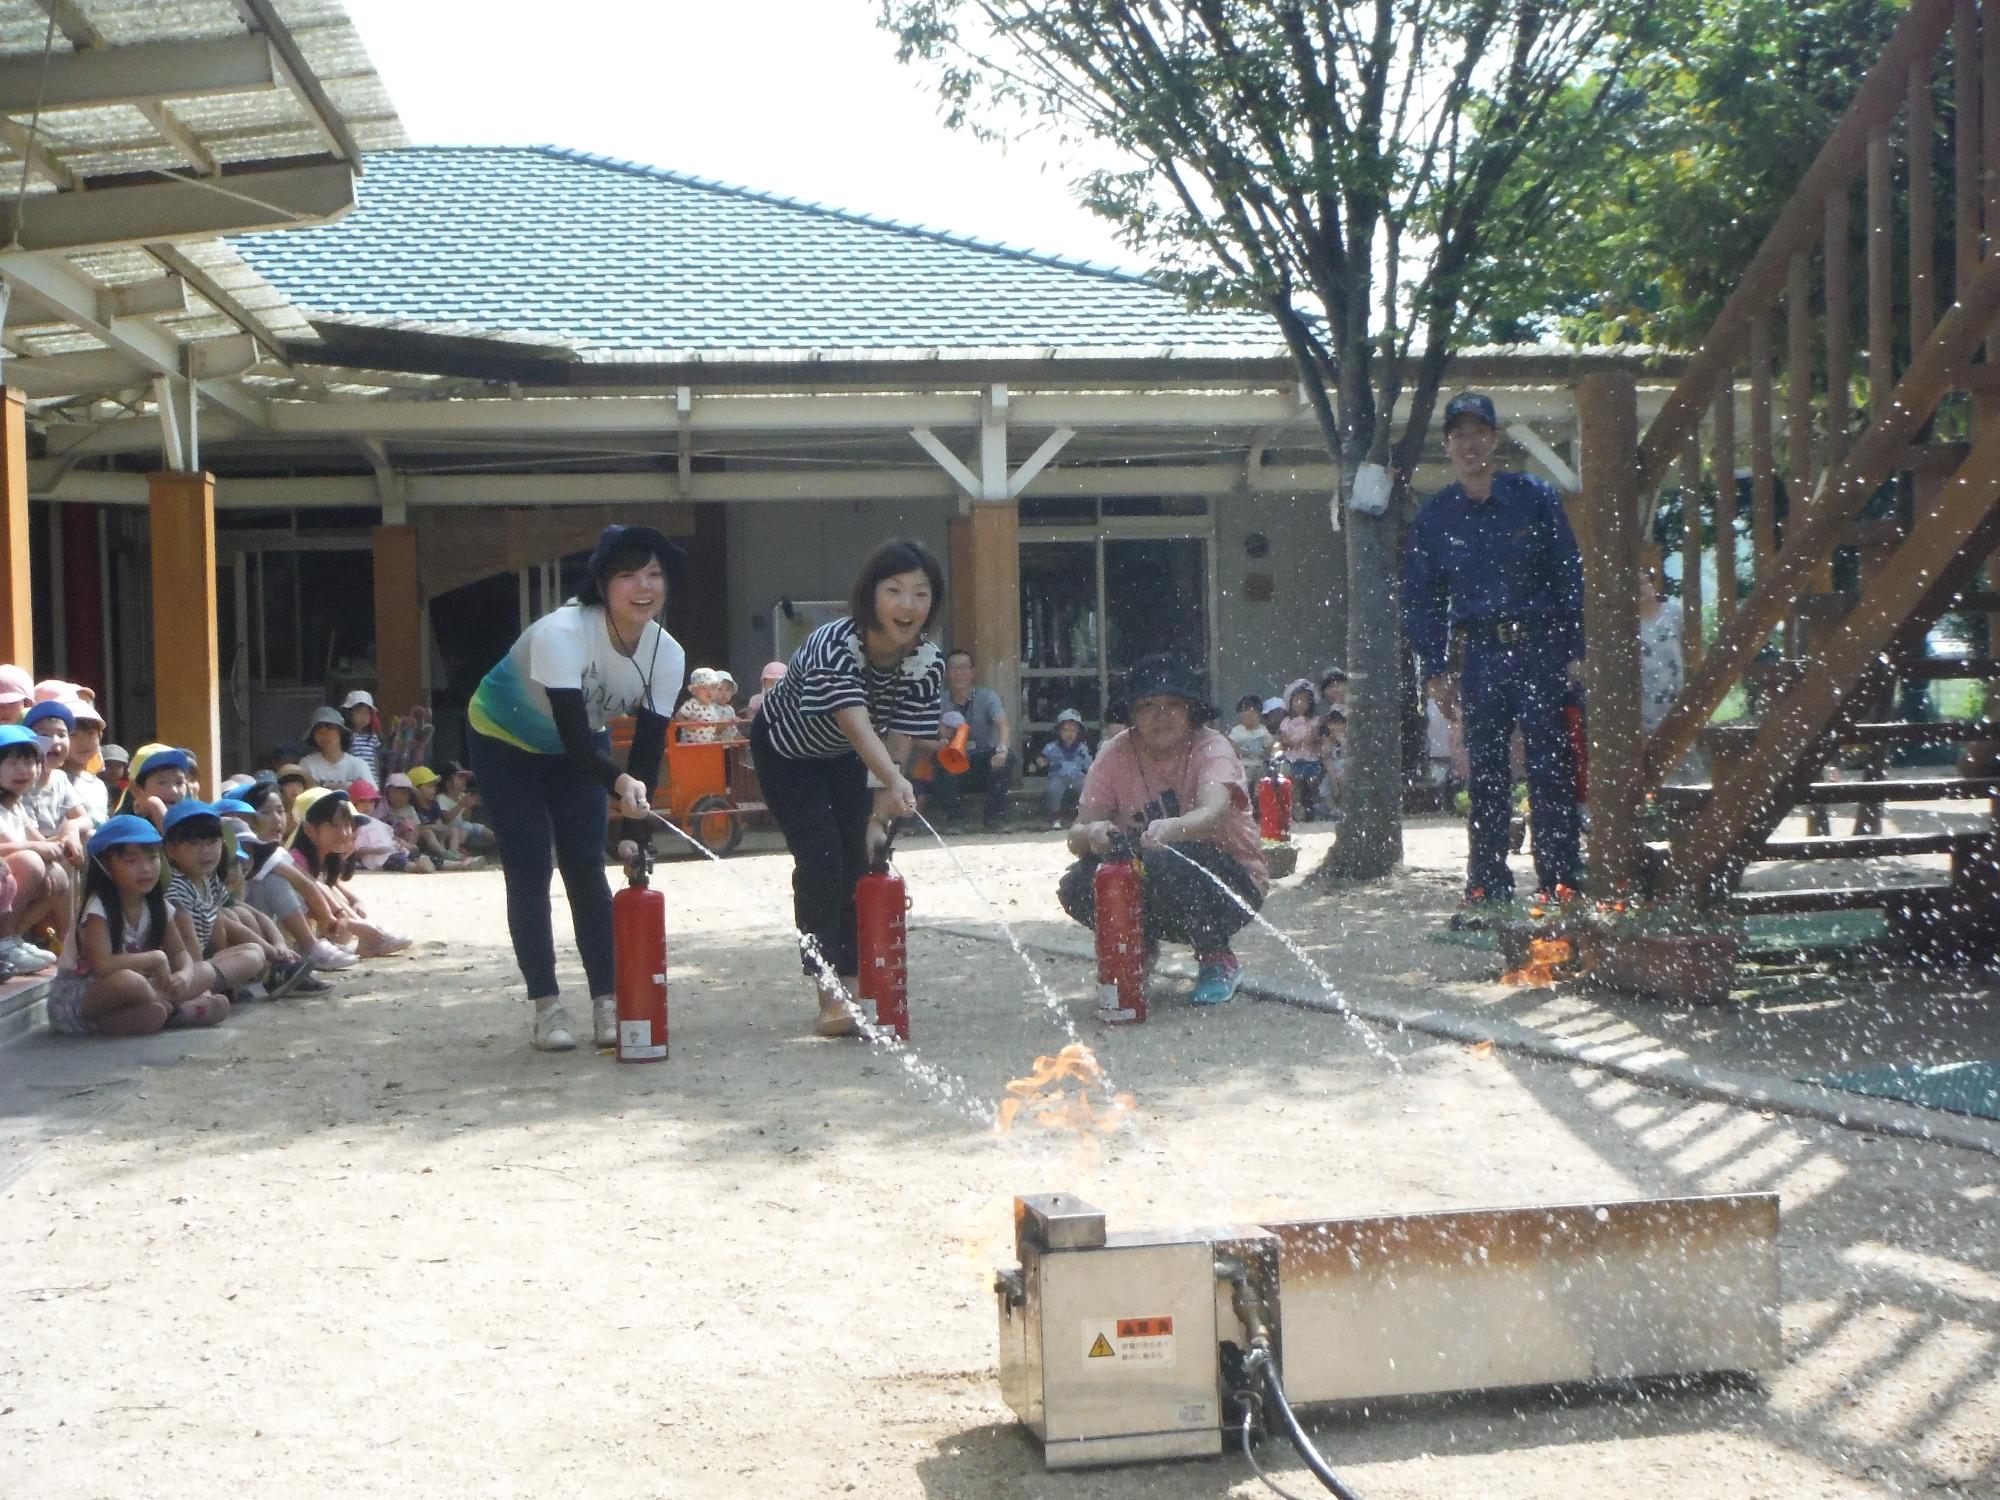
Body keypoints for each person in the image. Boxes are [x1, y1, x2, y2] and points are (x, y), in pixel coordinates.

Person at [467, 523, 686, 1052]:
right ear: (603, 584)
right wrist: (619, 782)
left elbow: (648, 750)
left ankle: (607, 1001)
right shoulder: (562, 633)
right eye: (628, 575)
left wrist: (635, 829)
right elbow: (570, 730)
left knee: (587, 868)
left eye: (654, 574)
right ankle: (546, 1006)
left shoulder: (667, 654)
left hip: (579, 755)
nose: (643, 587)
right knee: (530, 868)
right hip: (504, 743)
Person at [751, 538, 944, 1037]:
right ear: (870, 595)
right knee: (821, 860)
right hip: (786, 753)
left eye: (920, 594)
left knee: (860, 860)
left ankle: (856, 983)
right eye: (895, 590)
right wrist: (894, 779)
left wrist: (880, 816)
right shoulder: (834, 644)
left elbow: (897, 737)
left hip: (844, 758)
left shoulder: (927, 662)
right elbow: (857, 724)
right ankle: (828, 994)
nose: (907, 606)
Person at [1405, 390, 1585, 912]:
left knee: (1551, 766)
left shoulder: (1534, 496)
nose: (1469, 443)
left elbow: (1568, 573)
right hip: (1481, 655)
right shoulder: (1437, 517)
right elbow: (1423, 598)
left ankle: (1561, 880)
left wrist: (1577, 647)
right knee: (1484, 773)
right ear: (1447, 444)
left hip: (1542, 647)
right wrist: (1434, 670)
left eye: (1479, 432)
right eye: (1459, 434)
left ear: (1494, 438)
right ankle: (1486, 883)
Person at [1058, 653, 1268, 1005]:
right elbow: (1076, 835)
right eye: (1148, 705)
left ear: (1191, 710)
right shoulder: (1114, 754)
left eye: (1173, 704)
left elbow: (1214, 811)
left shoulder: (1211, 747)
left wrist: (1171, 829)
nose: (1161, 715)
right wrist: (1093, 834)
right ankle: (1137, 947)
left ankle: (1217, 957)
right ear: (1132, 715)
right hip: (1153, 880)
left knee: (1167, 860)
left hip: (1230, 885)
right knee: (1078, 883)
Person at [43, 815, 231, 1036]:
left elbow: (180, 952)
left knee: (206, 971)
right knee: (130, 982)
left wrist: (186, 974)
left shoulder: (158, 906)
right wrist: (155, 958)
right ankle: (180, 1011)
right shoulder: (97, 909)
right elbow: (102, 966)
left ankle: (159, 1014)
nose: (145, 869)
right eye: (131, 861)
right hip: (85, 996)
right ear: (106, 866)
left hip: (141, 991)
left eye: (152, 859)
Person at [160, 799, 305, 1001]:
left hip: (202, 962)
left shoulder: (208, 880)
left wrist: (271, 950)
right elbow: (189, 945)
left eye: (212, 842)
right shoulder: (176, 889)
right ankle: (206, 992)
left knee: (253, 951)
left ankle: (265, 977)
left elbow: (219, 930)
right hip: (181, 970)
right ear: (171, 850)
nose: (206, 851)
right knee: (249, 957)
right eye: (194, 844)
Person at [287, 787, 411, 958]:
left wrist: (355, 903)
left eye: (347, 826)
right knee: (318, 887)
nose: (345, 834)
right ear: (309, 830)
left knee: (328, 890)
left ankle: (369, 934)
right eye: (335, 826)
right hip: (293, 929)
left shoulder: (324, 859)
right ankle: (371, 935)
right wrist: (348, 918)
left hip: (325, 924)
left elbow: (330, 884)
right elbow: (313, 887)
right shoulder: (296, 858)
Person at [920, 648, 1012, 831]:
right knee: (939, 761)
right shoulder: (938, 701)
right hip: (951, 762)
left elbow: (1003, 724)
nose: (959, 673)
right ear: (946, 673)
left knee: (1008, 759)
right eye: (954, 669)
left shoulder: (987, 697)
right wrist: (940, 738)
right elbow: (922, 734)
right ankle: (955, 820)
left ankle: (995, 819)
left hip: (979, 760)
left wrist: (1002, 750)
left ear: (972, 671)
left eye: (964, 668)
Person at [0, 725, 64, 973]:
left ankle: (13, 939)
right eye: (13, 763)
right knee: (30, 861)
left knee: (58, 872)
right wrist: (36, 847)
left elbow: (41, 842)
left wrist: (62, 844)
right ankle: (4, 943)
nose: (24, 770)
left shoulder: (16, 806)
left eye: (30, 762)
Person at [1276, 685, 1327, 820]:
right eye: (1296, 700)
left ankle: (1315, 808)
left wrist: (1302, 740)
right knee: (1295, 784)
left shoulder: (1315, 721)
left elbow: (1313, 737)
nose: (1300, 703)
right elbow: (1284, 740)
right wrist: (1296, 741)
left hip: (1311, 759)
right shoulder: (1286, 722)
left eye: (1304, 700)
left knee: (1313, 783)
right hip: (1293, 760)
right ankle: (1297, 811)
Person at [1037, 709, 1094, 828]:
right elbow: (1042, 760)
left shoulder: (1082, 748)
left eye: (1073, 730)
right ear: (1059, 731)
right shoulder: (1052, 747)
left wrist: (1091, 773)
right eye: (1066, 730)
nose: (1070, 734)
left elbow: (1089, 766)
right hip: (1058, 776)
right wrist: (1041, 762)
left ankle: (1085, 815)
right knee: (1054, 789)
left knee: (1086, 788)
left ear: (1079, 733)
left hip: (1077, 776)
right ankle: (1055, 816)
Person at [62, 696, 110, 825]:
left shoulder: (99, 784)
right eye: (73, 735)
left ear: (100, 736)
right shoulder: (58, 780)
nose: (83, 743)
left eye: (90, 734)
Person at [300, 707, 374, 790]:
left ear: (340, 732)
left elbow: (372, 792)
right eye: (319, 732)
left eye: (329, 730)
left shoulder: (359, 764)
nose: (324, 735)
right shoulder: (307, 764)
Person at [674, 667, 732, 745]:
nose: (709, 692)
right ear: (694, 690)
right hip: (690, 746)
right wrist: (688, 724)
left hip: (707, 746)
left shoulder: (712, 707)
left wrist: (727, 724)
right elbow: (678, 716)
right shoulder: (692, 704)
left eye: (713, 688)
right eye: (704, 688)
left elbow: (716, 728)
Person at [1228, 693, 1275, 780]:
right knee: (1245, 778)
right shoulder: (1237, 731)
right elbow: (1232, 747)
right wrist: (1241, 752)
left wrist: (1264, 753)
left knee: (1264, 778)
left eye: (1253, 712)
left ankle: (1258, 791)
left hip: (1259, 765)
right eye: (1244, 712)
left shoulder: (1262, 730)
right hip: (1243, 765)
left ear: (1259, 715)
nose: (1249, 715)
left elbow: (1269, 746)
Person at [343, 690, 384, 781]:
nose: (364, 716)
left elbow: (375, 760)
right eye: (359, 712)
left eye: (367, 713)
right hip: (353, 780)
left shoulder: (372, 736)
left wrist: (377, 780)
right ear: (349, 714)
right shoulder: (347, 735)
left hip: (372, 780)